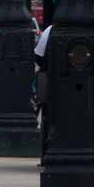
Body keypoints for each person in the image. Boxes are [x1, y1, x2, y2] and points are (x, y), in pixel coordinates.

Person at [34, 24, 52, 159]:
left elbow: (38, 56)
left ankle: (46, 151)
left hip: (49, 80)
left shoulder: (50, 30)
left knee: (47, 113)